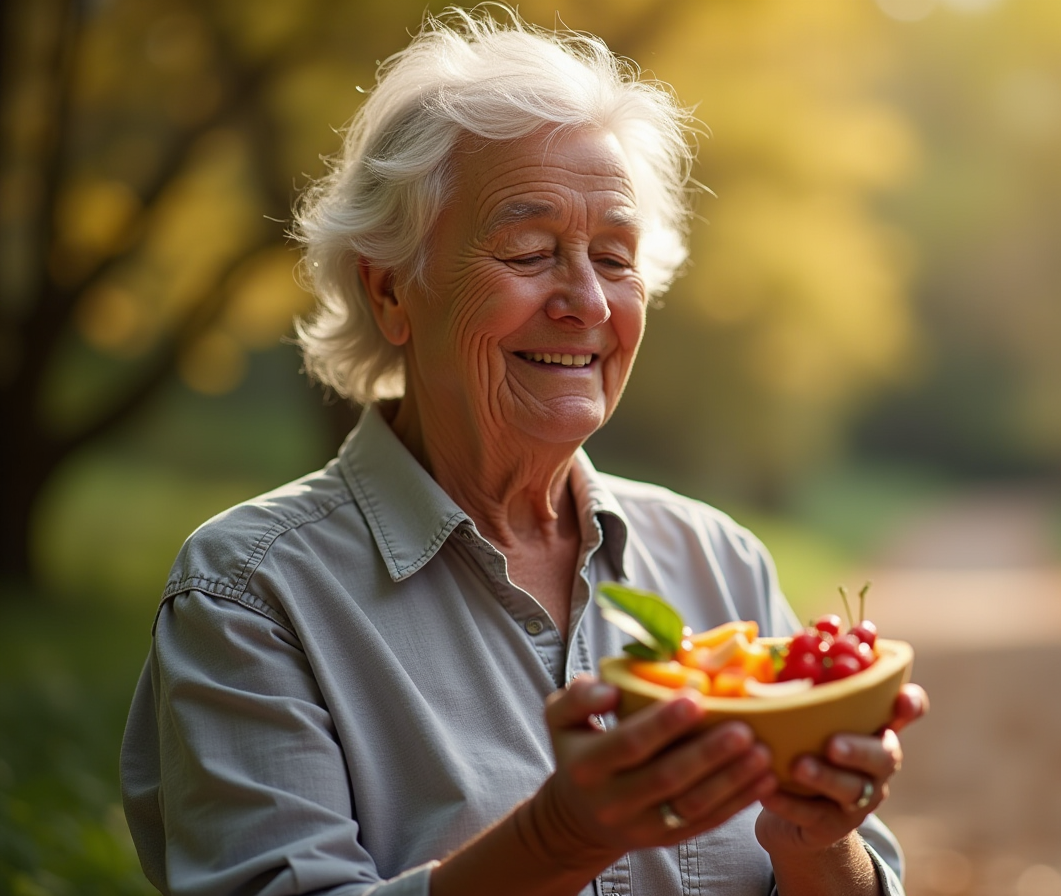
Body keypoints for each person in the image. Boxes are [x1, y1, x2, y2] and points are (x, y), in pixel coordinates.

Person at [119, 11, 926, 896]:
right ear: (391, 291)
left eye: (615, 258)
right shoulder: (252, 593)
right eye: (530, 250)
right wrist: (560, 838)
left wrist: (817, 840)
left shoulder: (719, 561)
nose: (584, 300)